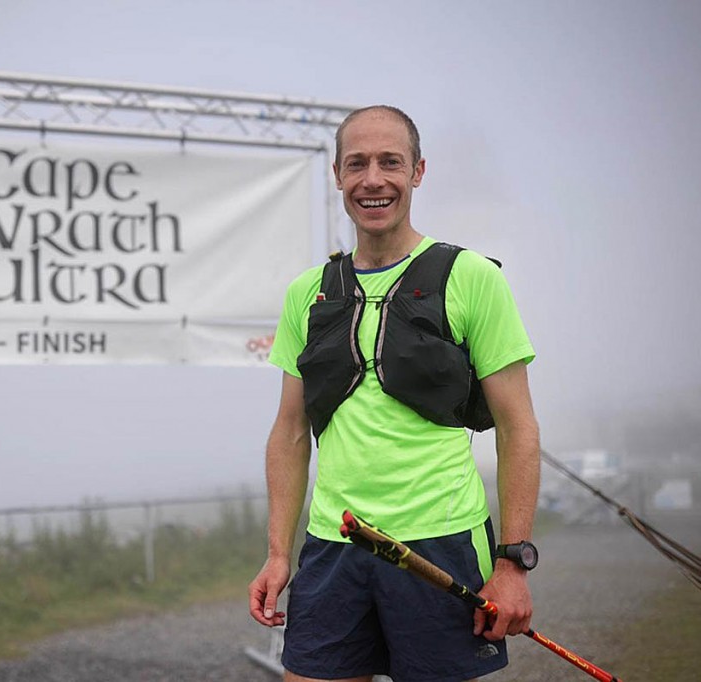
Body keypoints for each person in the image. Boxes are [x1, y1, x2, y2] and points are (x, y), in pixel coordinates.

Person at [247, 105, 541, 682]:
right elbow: (288, 430)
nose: (372, 179)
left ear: (418, 171)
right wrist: (280, 552)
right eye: (356, 164)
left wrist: (513, 563)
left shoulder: (473, 277)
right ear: (337, 175)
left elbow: (518, 428)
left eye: (390, 162)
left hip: (442, 545)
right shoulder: (308, 292)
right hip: (334, 547)